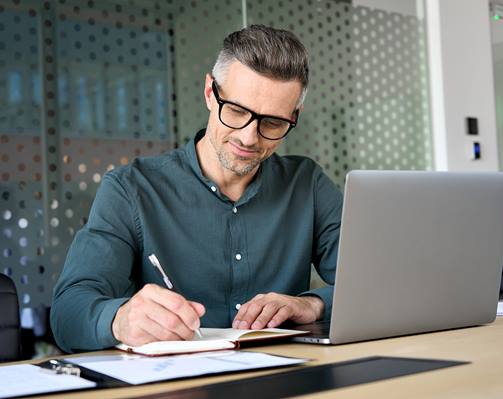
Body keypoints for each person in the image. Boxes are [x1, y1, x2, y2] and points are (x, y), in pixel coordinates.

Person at [51, 24, 342, 353]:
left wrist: (314, 304)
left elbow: (374, 288)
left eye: (272, 123)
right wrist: (119, 319)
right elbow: (68, 314)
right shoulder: (130, 190)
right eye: (235, 111)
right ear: (209, 92)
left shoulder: (308, 184)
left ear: (294, 116)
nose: (248, 138)